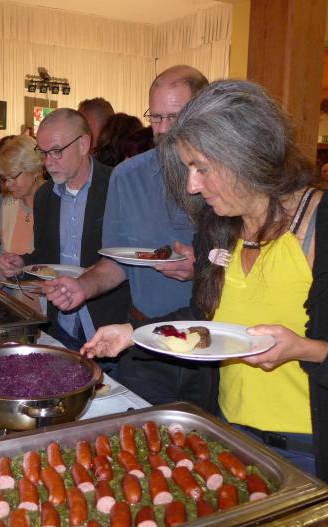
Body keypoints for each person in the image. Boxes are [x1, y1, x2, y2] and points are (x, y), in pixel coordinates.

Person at [81, 79, 328, 507]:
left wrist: (304, 349)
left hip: (316, 452)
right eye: (188, 169)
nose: (192, 186)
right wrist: (133, 334)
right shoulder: (218, 226)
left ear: (246, 154)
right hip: (232, 439)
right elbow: (205, 318)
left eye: (202, 168)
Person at [44, 65, 207, 403]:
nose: (163, 130)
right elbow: (117, 261)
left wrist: (203, 268)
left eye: (174, 117)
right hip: (143, 342)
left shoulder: (226, 177)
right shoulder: (128, 176)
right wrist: (84, 286)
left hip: (211, 347)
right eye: (156, 117)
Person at [0, 108, 130, 351]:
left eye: (57, 151)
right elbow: (45, 257)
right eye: (43, 152)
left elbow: (128, 259)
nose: (48, 162)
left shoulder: (117, 186)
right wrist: (22, 264)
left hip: (106, 324)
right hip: (61, 322)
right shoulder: (45, 196)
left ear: (83, 144)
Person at [0, 136, 45, 311]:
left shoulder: (56, 204)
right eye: (4, 178)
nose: (8, 184)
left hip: (50, 304)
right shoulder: (8, 205)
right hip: (19, 303)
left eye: (13, 177)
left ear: (35, 170)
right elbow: (5, 259)